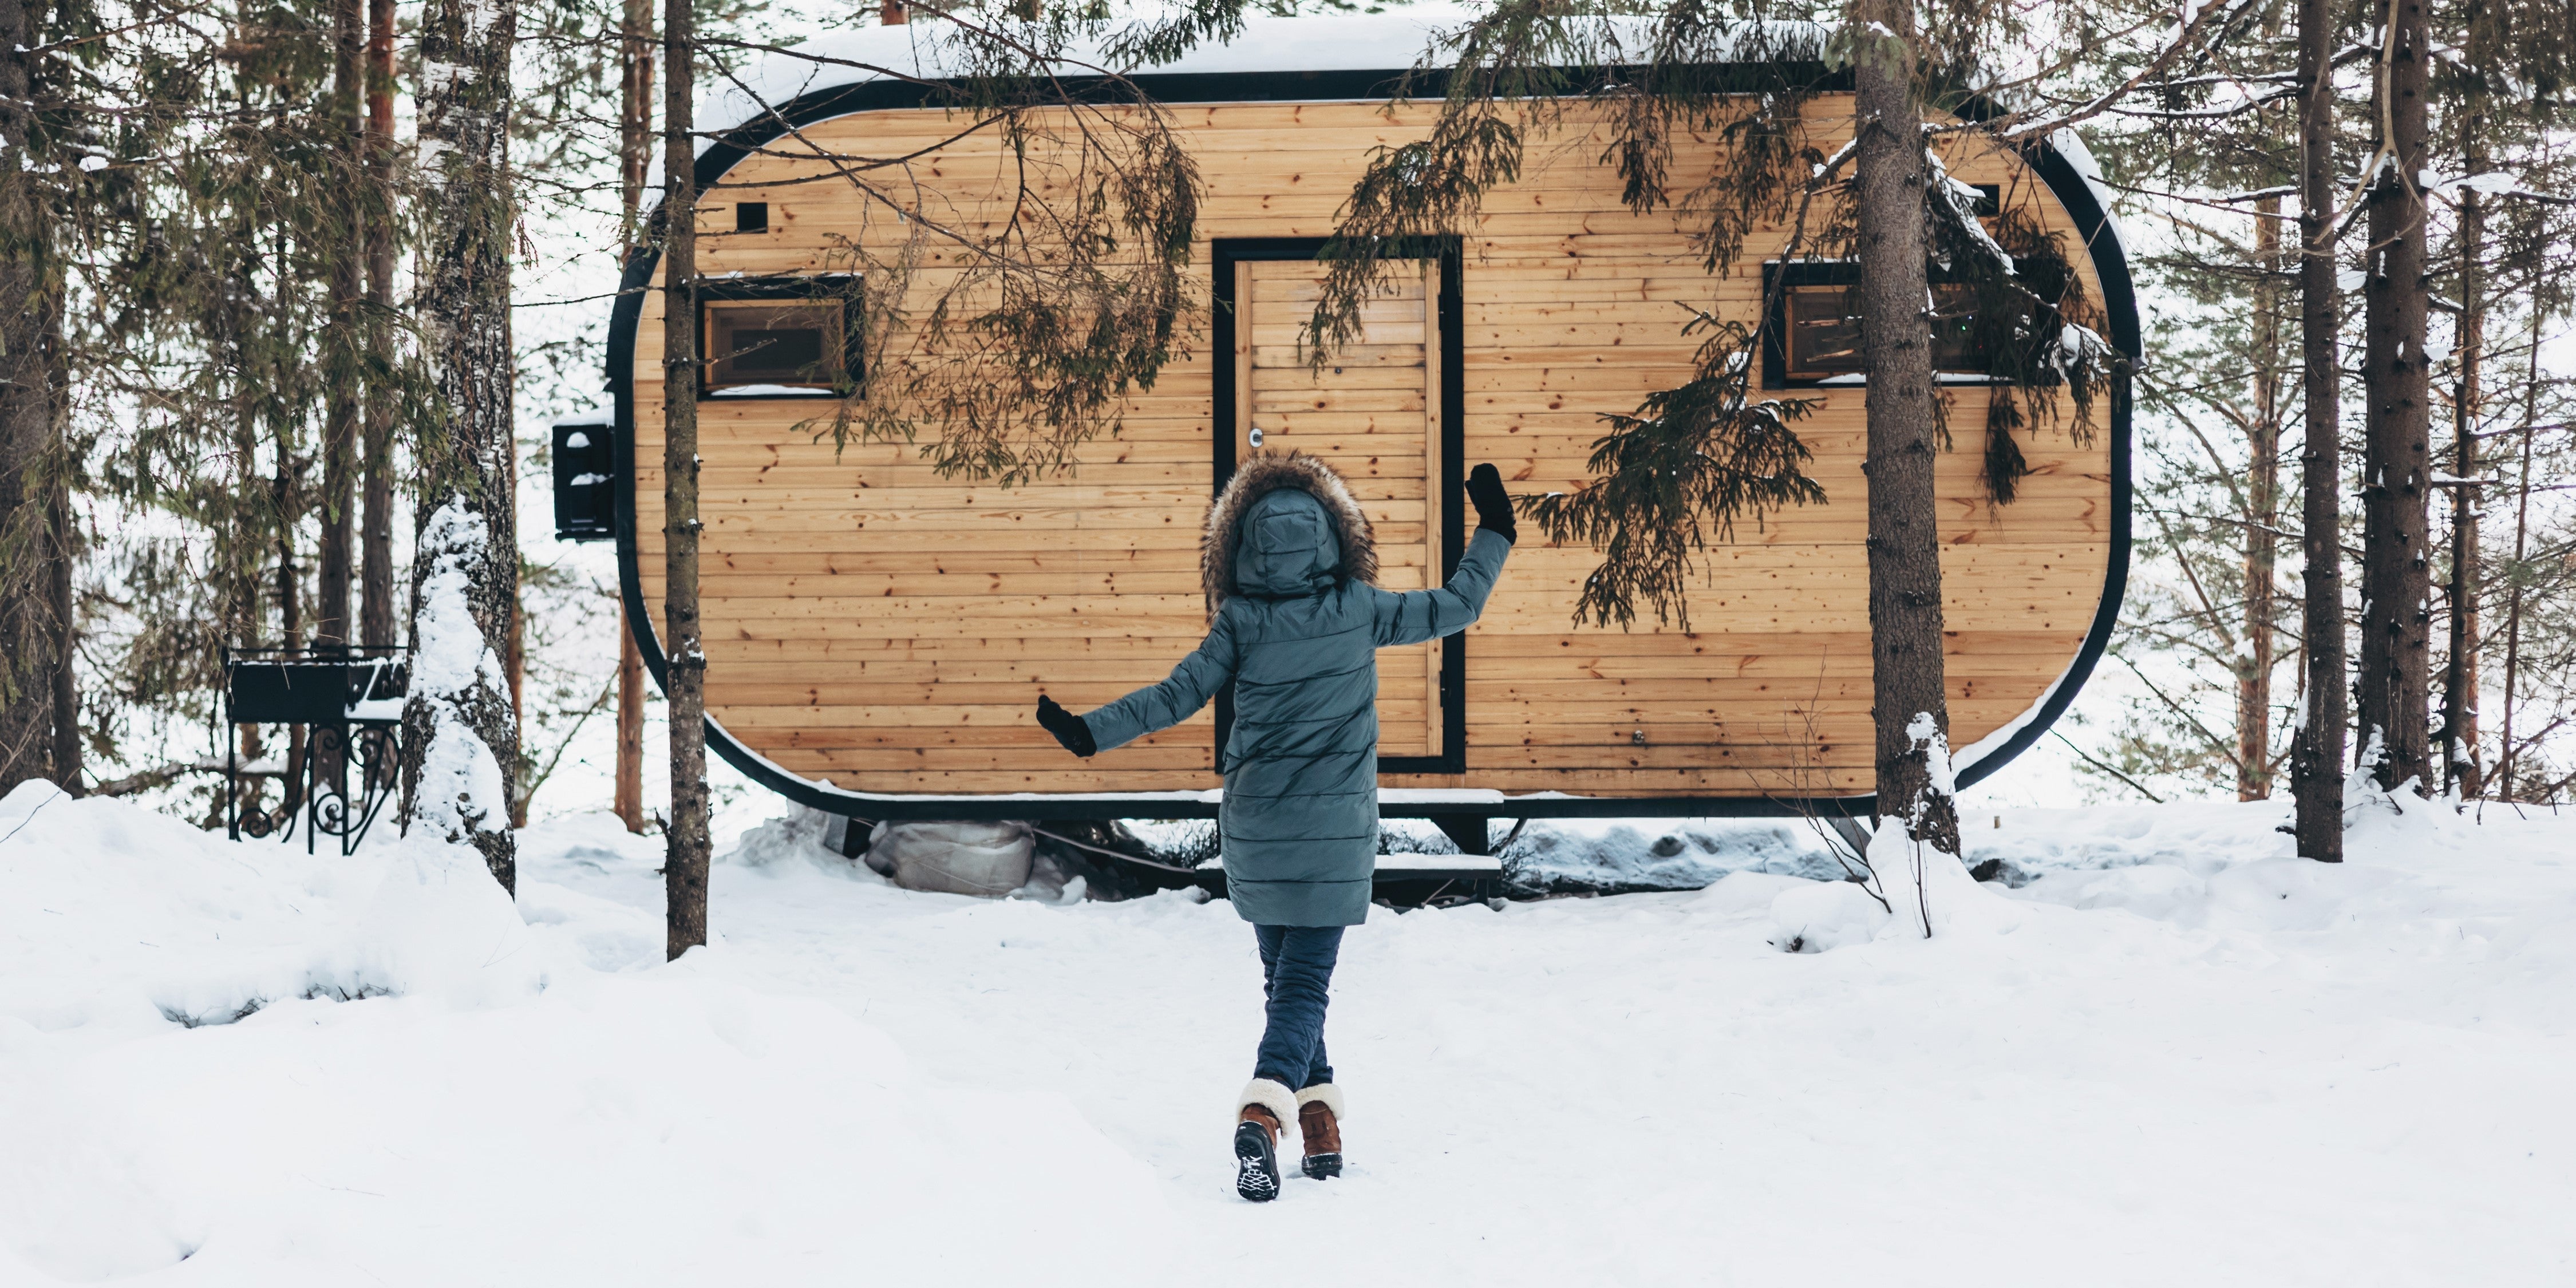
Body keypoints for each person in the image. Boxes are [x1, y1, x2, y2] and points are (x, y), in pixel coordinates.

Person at [1033, 452, 1516, 1202]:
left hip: (1257, 831)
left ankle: (1320, 1128)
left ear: (1242, 547)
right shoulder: (1361, 607)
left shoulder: (1240, 621)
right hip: (1333, 835)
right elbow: (1459, 604)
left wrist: (1090, 731)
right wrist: (1494, 527)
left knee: (1287, 983)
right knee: (1302, 990)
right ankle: (1263, 1115)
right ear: (1334, 538)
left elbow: (1173, 695)